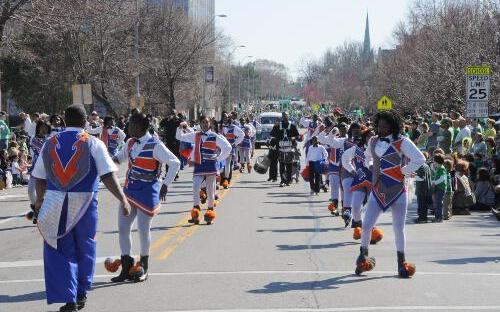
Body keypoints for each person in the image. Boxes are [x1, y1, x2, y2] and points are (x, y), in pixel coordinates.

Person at [31, 105, 131, 312]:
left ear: (65, 121)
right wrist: (123, 199)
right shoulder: (94, 142)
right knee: (85, 246)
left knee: (60, 249)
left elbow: (39, 177)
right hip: (85, 202)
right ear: (85, 122)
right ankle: (81, 292)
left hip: (55, 202)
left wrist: (39, 200)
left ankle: (70, 299)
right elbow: (107, 175)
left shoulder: (50, 143)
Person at [355, 110, 425, 278]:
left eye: (385, 126)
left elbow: (420, 159)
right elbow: (367, 158)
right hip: (378, 189)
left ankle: (402, 262)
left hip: (398, 190)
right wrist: (371, 165)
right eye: (379, 126)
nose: (381, 129)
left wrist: (403, 171)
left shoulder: (403, 142)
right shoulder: (372, 141)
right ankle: (363, 256)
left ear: (393, 127)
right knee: (366, 225)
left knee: (398, 228)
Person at [112, 113, 180, 283]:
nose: (128, 127)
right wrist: (105, 162)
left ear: (141, 126)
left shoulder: (155, 145)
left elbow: (175, 162)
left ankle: (143, 266)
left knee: (143, 230)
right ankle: (126, 267)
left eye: (131, 124)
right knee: (123, 227)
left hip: (147, 192)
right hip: (129, 191)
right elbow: (118, 158)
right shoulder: (130, 143)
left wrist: (165, 184)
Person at [176, 115, 231, 225]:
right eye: (203, 122)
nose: (205, 124)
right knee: (196, 186)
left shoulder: (215, 136)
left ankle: (210, 214)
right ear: (200, 124)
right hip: (199, 166)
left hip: (211, 166)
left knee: (210, 190)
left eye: (206, 122)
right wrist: (179, 127)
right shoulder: (196, 135)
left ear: (209, 123)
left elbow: (228, 147)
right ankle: (196, 212)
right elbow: (180, 137)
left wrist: (218, 158)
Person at [341, 125, 382, 242]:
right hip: (359, 180)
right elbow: (344, 158)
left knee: (371, 207)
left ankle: (371, 230)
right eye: (370, 136)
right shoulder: (356, 149)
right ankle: (358, 226)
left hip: (373, 181)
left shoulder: (379, 149)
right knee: (355, 207)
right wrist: (352, 170)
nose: (372, 137)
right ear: (365, 137)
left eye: (374, 136)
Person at [26, 120, 51, 223]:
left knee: (46, 193)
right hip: (35, 168)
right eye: (42, 128)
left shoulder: (51, 139)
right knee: (30, 191)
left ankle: (39, 213)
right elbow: (38, 149)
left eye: (46, 128)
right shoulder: (34, 139)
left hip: (48, 169)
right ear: (38, 128)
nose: (43, 130)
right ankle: (35, 206)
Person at [270, 112, 299, 187]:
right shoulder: (277, 126)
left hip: (290, 149)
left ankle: (288, 180)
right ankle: (282, 180)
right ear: (282, 117)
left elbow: (297, 136)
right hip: (280, 149)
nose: (285, 117)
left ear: (288, 116)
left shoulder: (292, 125)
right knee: (282, 165)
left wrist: (293, 138)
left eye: (286, 115)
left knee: (289, 165)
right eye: (283, 116)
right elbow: (272, 135)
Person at [220, 114, 244, 188]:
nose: (225, 119)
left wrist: (235, 143)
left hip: (229, 149)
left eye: (227, 117)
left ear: (229, 118)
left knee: (227, 164)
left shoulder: (233, 127)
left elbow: (242, 134)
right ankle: (221, 178)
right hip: (220, 149)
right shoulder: (219, 127)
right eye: (224, 117)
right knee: (220, 165)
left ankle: (226, 180)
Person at [414, 152, 433, 223]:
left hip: (421, 189)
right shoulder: (426, 166)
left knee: (421, 204)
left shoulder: (421, 166)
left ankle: (422, 218)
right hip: (426, 188)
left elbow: (422, 178)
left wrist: (414, 176)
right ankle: (424, 217)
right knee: (424, 204)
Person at [432, 153, 447, 223]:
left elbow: (442, 178)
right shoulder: (439, 168)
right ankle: (437, 217)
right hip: (438, 187)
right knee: (437, 202)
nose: (433, 162)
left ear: (437, 161)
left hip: (441, 188)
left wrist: (435, 183)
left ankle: (439, 218)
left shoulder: (441, 168)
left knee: (438, 203)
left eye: (434, 160)